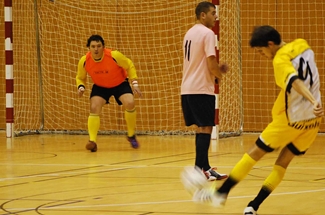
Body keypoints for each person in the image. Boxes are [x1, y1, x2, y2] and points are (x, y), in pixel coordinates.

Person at [191, 25, 324, 214]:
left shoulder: (279, 60)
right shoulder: (303, 45)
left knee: (253, 154)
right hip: (313, 121)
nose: (261, 55)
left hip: (291, 118)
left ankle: (222, 193)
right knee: (282, 163)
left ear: (271, 44)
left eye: (261, 51)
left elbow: (294, 80)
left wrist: (311, 101)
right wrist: (316, 102)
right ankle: (254, 205)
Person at [181, 1, 229, 181]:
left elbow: (202, 61)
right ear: (203, 15)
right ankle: (197, 170)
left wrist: (217, 69)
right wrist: (219, 75)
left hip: (188, 88)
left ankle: (206, 168)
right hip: (201, 88)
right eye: (212, 13)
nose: (215, 16)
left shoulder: (189, 33)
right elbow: (210, 61)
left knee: (203, 128)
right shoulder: (208, 33)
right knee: (206, 127)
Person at [76, 34, 142, 152]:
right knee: (94, 107)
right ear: (89, 48)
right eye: (93, 46)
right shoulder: (84, 61)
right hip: (100, 86)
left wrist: (134, 82)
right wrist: (80, 86)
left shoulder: (114, 56)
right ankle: (92, 141)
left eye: (98, 46)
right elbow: (80, 77)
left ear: (103, 47)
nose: (96, 49)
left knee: (130, 103)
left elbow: (129, 64)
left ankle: (131, 135)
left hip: (120, 84)